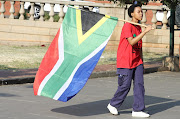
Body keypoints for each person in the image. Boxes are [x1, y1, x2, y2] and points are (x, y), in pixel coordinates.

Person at [107, 2, 153, 118]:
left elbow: (139, 46)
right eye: (138, 12)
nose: (141, 14)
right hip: (125, 61)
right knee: (125, 86)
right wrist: (145, 31)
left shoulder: (138, 27)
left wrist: (142, 62)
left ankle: (138, 109)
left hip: (137, 61)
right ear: (132, 14)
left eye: (141, 12)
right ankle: (113, 104)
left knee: (139, 85)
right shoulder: (128, 26)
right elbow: (132, 41)